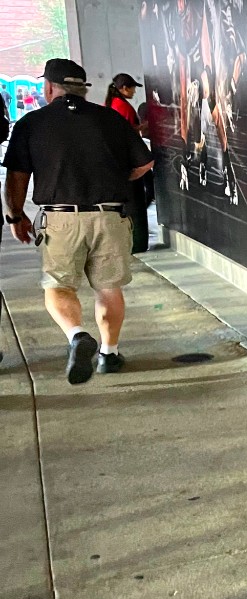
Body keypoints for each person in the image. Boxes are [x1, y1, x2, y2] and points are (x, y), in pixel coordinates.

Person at [2, 59, 153, 384]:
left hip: (61, 219)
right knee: (108, 288)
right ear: (82, 88)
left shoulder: (32, 123)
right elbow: (144, 164)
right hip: (110, 215)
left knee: (58, 286)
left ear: (49, 88)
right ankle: (109, 355)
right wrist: (116, 178)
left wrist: (16, 214)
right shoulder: (111, 118)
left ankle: (77, 335)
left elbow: (17, 175)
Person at [104, 73, 149, 254]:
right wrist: (143, 127)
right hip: (129, 161)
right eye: (132, 88)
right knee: (136, 201)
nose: (134, 91)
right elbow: (128, 134)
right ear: (124, 88)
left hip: (118, 161)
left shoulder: (111, 105)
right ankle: (136, 242)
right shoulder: (123, 107)